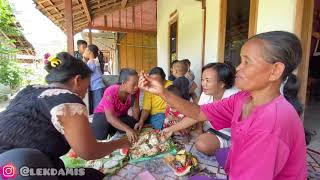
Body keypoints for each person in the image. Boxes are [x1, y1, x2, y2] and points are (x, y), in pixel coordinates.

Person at [139, 31, 307, 179]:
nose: (238, 68)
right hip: (242, 160)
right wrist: (163, 92)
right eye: (240, 60)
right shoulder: (243, 98)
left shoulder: (270, 126)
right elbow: (198, 113)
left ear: (275, 70)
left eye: (247, 62)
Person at [0, 52, 130, 180]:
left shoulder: (29, 90)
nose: (86, 92)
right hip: (22, 170)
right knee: (95, 176)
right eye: (87, 86)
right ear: (77, 80)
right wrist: (121, 143)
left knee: (89, 173)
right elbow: (89, 152)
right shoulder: (68, 101)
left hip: (12, 167)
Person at [193, 62, 239, 155]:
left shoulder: (234, 96)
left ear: (222, 83)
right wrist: (199, 129)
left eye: (207, 80)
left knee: (202, 144)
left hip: (227, 135)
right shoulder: (206, 93)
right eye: (202, 80)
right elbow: (198, 113)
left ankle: (232, 151)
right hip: (210, 131)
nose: (203, 84)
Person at [91, 68, 140, 143]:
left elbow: (136, 112)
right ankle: (96, 126)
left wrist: (136, 123)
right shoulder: (111, 91)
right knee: (100, 135)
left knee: (134, 123)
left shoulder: (135, 91)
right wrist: (127, 129)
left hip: (119, 117)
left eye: (137, 83)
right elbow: (110, 117)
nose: (136, 87)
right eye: (134, 84)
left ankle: (115, 128)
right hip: (103, 115)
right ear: (123, 83)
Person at [83, 44, 106, 114]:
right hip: (98, 87)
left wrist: (83, 61)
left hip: (97, 87)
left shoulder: (91, 62)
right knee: (99, 106)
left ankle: (98, 122)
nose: (84, 52)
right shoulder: (95, 61)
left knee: (98, 108)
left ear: (89, 52)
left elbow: (86, 72)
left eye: (86, 50)